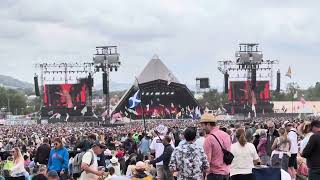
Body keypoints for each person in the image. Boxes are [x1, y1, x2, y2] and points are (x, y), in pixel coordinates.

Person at [200, 114, 231, 180]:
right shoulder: (226, 135)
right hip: (226, 173)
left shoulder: (209, 139)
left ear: (208, 124)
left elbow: (207, 160)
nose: (202, 128)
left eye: (202, 125)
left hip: (214, 174)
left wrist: (204, 175)